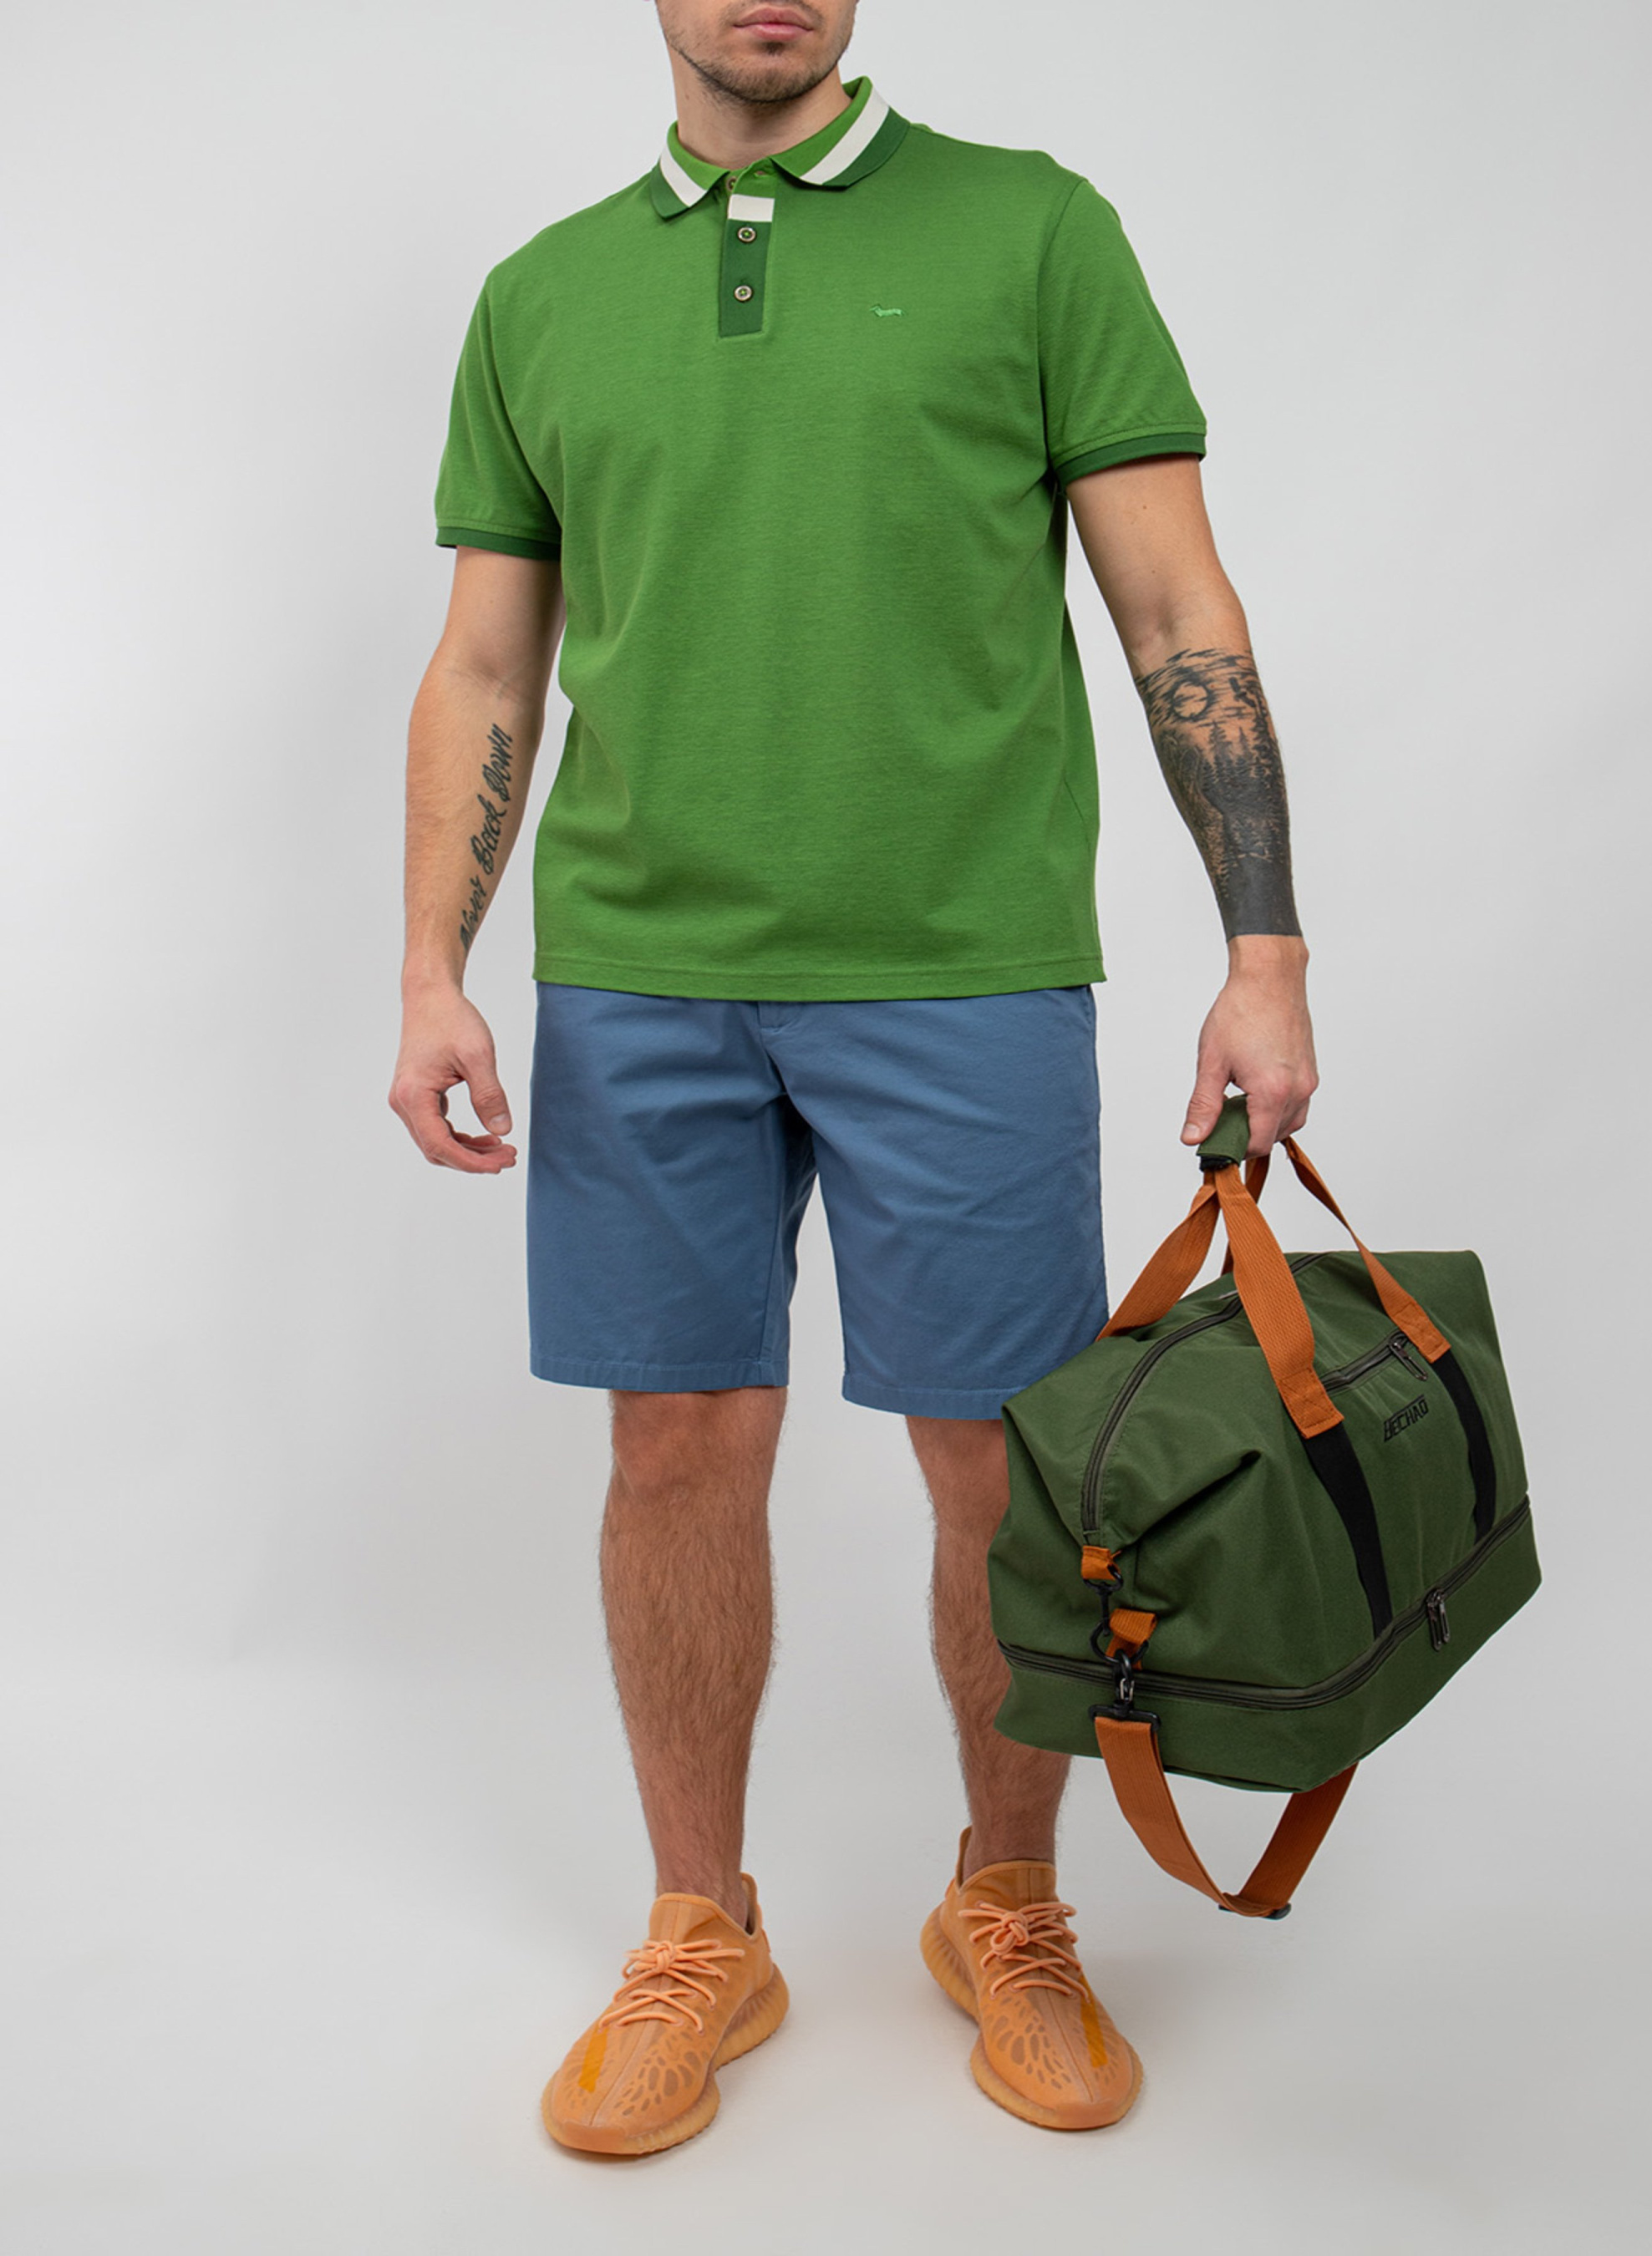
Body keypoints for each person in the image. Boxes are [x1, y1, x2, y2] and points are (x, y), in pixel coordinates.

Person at [389, 0, 1318, 2155]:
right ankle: (700, 1927)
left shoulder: (1033, 231)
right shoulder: (541, 293)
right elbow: (486, 658)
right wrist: (432, 968)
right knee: (674, 1447)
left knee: (1001, 1463)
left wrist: (1263, 954)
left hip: (963, 967)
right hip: (642, 974)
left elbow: (1177, 604)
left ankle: (1008, 1903)